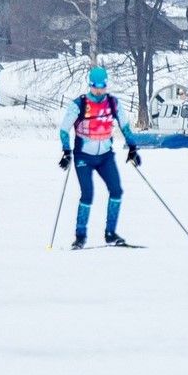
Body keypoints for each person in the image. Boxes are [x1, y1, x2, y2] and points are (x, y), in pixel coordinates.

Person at [59, 65, 140, 247]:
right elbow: (64, 130)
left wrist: (133, 147)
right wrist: (66, 151)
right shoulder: (79, 104)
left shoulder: (113, 103)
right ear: (90, 85)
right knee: (87, 194)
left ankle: (110, 233)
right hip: (84, 157)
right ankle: (80, 236)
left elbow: (125, 126)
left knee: (117, 191)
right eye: (95, 86)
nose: (99, 89)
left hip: (105, 156)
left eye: (102, 86)